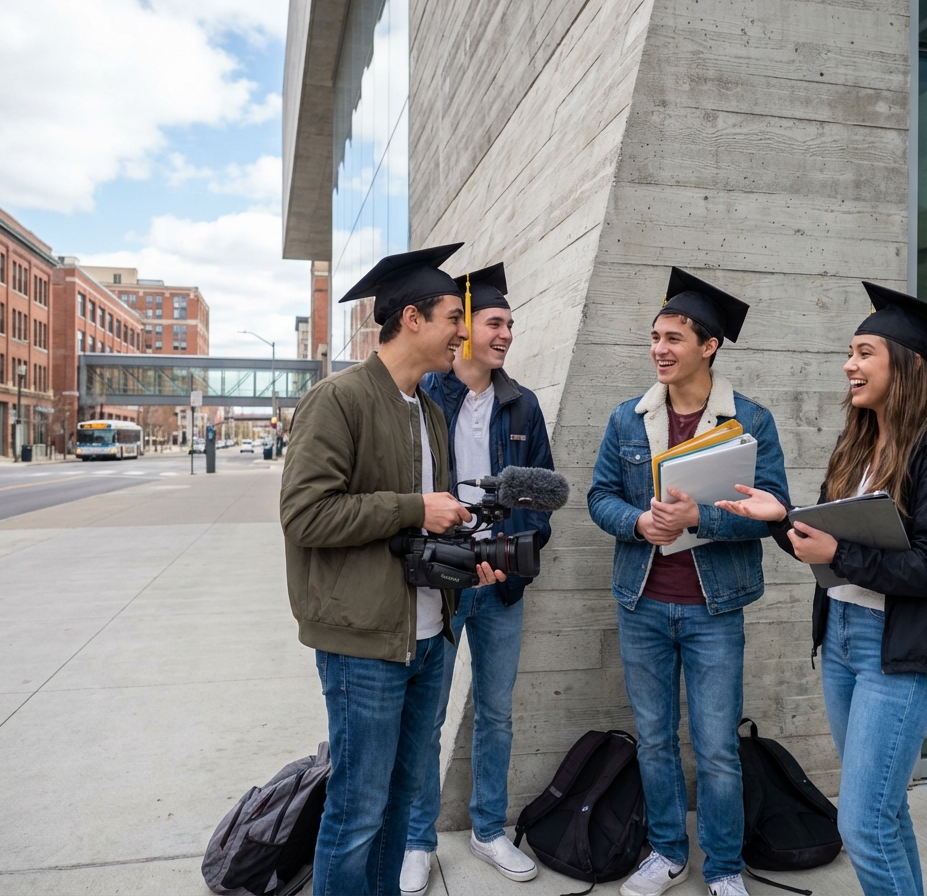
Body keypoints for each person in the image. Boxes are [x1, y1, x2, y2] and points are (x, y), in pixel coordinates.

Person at [716, 282, 927, 896]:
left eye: (864, 352)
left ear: (908, 365)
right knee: (884, 814)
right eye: (850, 352)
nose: (850, 365)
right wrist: (779, 519)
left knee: (863, 823)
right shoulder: (862, 442)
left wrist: (839, 550)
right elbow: (824, 543)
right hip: (842, 639)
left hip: (897, 652)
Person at [280, 243, 506, 896]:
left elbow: (423, 530)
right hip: (365, 646)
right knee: (356, 811)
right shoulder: (338, 400)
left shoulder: (429, 411)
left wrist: (470, 559)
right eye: (451, 322)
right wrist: (415, 507)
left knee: (402, 805)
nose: (461, 336)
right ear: (411, 319)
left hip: (430, 639)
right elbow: (306, 515)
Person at [587, 268, 789, 896]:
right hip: (642, 603)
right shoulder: (628, 419)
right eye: (655, 337)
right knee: (654, 739)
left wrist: (702, 516)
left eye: (674, 338)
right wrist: (637, 520)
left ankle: (724, 868)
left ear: (710, 347)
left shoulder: (749, 419)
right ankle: (669, 853)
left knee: (717, 748)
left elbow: (776, 509)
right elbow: (598, 497)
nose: (660, 350)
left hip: (713, 608)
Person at [400, 262, 554, 894]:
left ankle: (489, 829)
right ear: (463, 328)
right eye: (495, 322)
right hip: (438, 582)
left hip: (500, 586)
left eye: (511, 325)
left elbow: (543, 498)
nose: (506, 335)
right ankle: (415, 838)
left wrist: (513, 554)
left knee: (495, 711)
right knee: (427, 714)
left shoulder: (523, 405)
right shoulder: (427, 398)